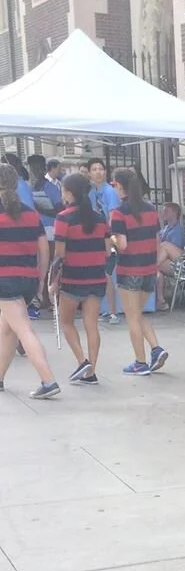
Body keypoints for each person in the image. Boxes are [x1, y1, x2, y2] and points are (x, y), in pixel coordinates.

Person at [0, 164, 59, 399]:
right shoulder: (30, 213)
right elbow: (43, 250)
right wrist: (41, 279)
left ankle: (48, 380)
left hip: (4, 279)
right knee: (7, 330)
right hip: (27, 278)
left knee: (23, 329)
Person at [50, 173, 109, 385]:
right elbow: (107, 251)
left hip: (73, 278)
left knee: (66, 321)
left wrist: (53, 280)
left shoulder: (63, 218)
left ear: (69, 193)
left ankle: (82, 360)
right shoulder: (100, 218)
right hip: (96, 277)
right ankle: (91, 371)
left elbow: (59, 253)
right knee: (91, 325)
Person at [109, 167, 168, 376]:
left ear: (119, 185)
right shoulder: (151, 209)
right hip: (149, 269)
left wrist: (112, 238)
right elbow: (157, 240)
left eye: (114, 184)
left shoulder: (119, 213)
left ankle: (140, 362)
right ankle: (156, 349)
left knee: (132, 317)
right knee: (138, 313)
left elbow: (122, 245)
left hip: (129, 269)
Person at [86, 158, 121, 323]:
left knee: (107, 274)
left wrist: (110, 236)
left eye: (100, 169)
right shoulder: (91, 192)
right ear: (89, 173)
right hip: (94, 237)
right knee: (99, 274)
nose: (98, 172)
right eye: (94, 169)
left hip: (107, 237)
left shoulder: (110, 192)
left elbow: (113, 216)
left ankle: (113, 311)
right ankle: (104, 309)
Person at [155, 202, 185, 310]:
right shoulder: (165, 229)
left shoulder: (178, 230)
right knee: (158, 272)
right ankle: (160, 301)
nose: (163, 213)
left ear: (174, 213)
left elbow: (172, 252)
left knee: (164, 245)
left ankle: (149, 267)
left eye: (166, 211)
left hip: (179, 264)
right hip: (165, 262)